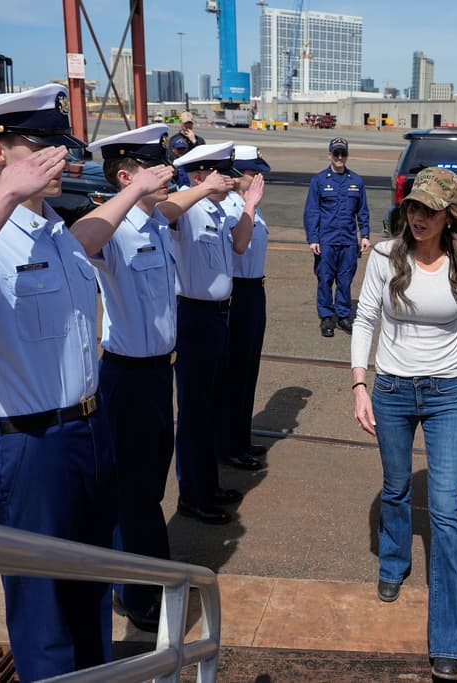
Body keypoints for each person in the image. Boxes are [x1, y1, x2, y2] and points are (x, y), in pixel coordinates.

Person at [0, 84, 170, 680]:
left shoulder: (57, 230)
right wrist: (5, 192)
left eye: (61, 145)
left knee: (89, 590)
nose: (58, 159)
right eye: (41, 146)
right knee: (43, 611)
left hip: (91, 430)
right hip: (31, 448)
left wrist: (133, 188)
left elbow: (90, 237)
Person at [83, 123, 234, 631]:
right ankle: (137, 592)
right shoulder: (112, 228)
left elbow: (174, 205)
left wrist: (208, 187)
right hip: (124, 377)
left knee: (149, 486)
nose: (169, 172)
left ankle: (149, 574)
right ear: (126, 176)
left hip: (155, 376)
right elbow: (80, 242)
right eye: (154, 167)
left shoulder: (153, 220)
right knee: (134, 492)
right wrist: (129, 194)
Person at [350, 167, 457, 682]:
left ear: (449, 214)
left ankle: (449, 639)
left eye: (429, 209)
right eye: (412, 207)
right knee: (396, 485)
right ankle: (393, 561)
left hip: (448, 393)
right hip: (390, 391)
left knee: (447, 512)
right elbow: (365, 320)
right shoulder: (386, 256)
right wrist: (359, 385)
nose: (417, 216)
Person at [170, 142, 264, 525]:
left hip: (218, 318)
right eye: (221, 172)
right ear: (198, 175)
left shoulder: (214, 210)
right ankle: (192, 496)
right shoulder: (185, 207)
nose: (229, 178)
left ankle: (207, 485)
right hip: (193, 318)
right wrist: (200, 189)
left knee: (208, 409)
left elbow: (241, 244)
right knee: (194, 414)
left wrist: (248, 205)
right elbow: (160, 212)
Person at [225, 145, 272, 470]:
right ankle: (229, 444)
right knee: (234, 375)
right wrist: (249, 205)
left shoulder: (251, 206)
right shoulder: (230, 207)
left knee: (248, 371)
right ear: (236, 174)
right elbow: (238, 249)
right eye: (253, 172)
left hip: (255, 290)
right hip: (237, 293)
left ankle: (240, 437)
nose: (259, 178)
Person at [304, 137, 371, 337]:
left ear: (347, 156)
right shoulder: (319, 181)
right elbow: (312, 212)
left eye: (343, 154)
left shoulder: (356, 181)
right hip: (326, 240)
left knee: (345, 279)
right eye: (336, 153)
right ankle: (326, 317)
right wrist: (313, 238)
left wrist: (365, 235)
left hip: (349, 241)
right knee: (325, 278)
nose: (339, 157)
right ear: (329, 155)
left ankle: (343, 315)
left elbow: (363, 211)